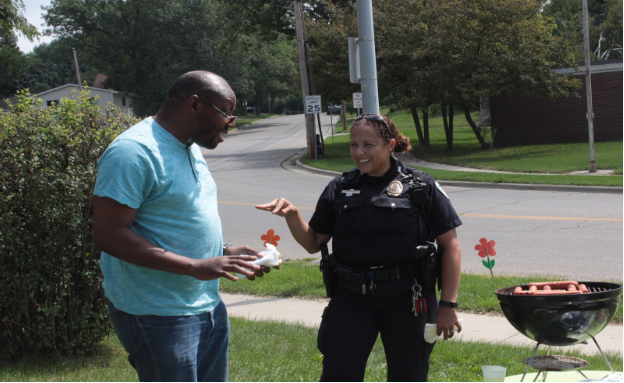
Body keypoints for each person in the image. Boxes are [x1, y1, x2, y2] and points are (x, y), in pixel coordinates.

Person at [93, 71, 275, 382]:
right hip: (157, 313)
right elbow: (109, 234)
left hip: (206, 304)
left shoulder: (188, 146)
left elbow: (174, 220)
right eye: (226, 113)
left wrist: (225, 250)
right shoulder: (133, 152)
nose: (231, 122)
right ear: (194, 105)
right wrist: (194, 266)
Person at [256, 113, 462, 382]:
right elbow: (313, 242)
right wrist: (293, 215)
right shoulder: (340, 187)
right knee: (338, 375)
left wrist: (448, 304)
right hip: (351, 297)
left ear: (389, 144)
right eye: (353, 145)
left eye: (368, 145)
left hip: (408, 298)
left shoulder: (420, 185)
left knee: (408, 376)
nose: (359, 152)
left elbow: (451, 246)